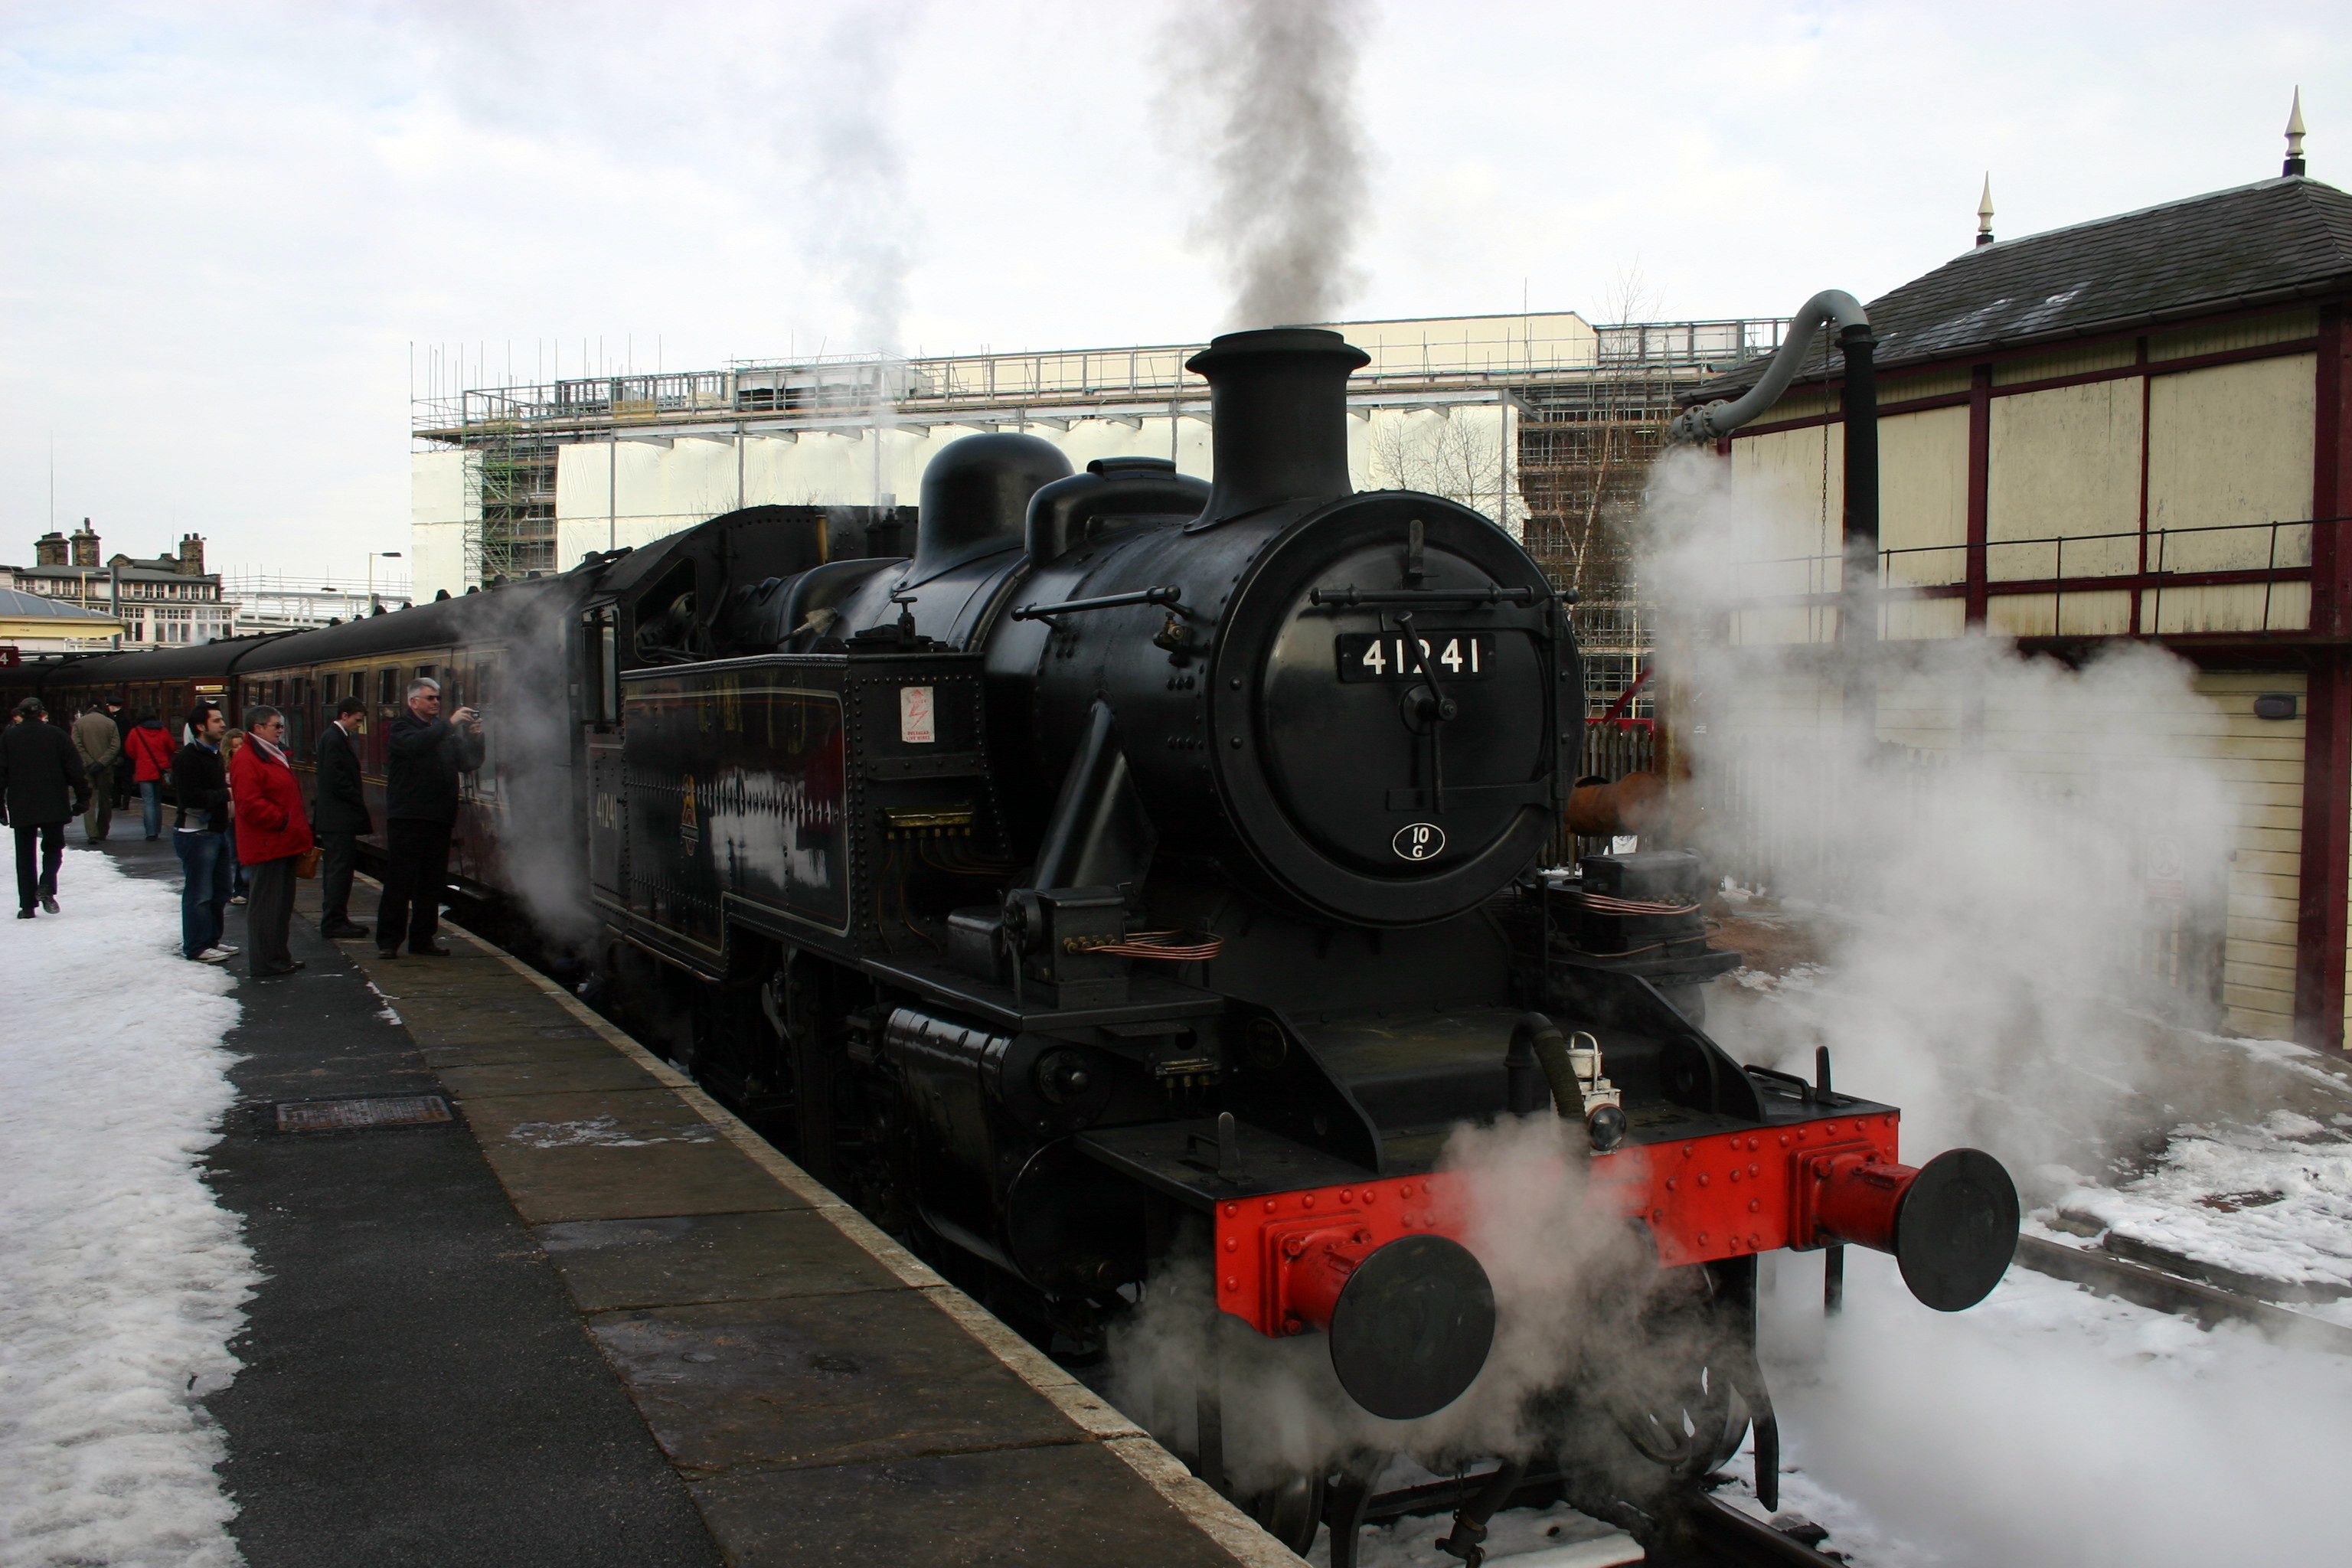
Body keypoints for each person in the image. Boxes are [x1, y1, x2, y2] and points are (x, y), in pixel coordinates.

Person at [375, 677, 482, 959]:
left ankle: (423, 939)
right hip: (409, 816)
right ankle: (389, 941)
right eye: (430, 698)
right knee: (400, 880)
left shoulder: (440, 731)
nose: (436, 702)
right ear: (414, 702)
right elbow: (414, 746)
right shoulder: (402, 728)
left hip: (439, 816)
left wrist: (474, 737)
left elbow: (467, 762)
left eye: (437, 698)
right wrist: (450, 724)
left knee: (430, 883)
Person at [230, 704, 313, 978]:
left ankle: (279, 956)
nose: (281, 730)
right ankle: (266, 962)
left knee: (280, 905)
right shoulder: (247, 758)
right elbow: (249, 803)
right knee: (267, 906)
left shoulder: (268, 754)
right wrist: (282, 821)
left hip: (281, 842)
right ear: (258, 728)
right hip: (268, 843)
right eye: (276, 726)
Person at [0, 697, 88, 918]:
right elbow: (75, 769)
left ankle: (27, 906)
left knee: (25, 854)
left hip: (21, 804)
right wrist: (82, 797)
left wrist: (0, 804)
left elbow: (1, 773)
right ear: (41, 714)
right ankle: (47, 884)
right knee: (53, 847)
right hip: (54, 803)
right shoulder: (57, 735)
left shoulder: (9, 737)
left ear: (21, 713)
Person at [171, 704, 238, 963]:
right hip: (196, 833)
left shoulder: (213, 754)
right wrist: (227, 794)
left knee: (221, 891)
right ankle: (196, 946)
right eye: (217, 720)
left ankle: (212, 940)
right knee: (199, 894)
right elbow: (191, 798)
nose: (223, 724)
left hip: (215, 831)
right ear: (201, 726)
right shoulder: (188, 758)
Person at [312, 696, 371, 939]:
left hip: (335, 817)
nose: (360, 725)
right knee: (339, 870)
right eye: (357, 720)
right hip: (338, 818)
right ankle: (334, 922)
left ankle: (338, 918)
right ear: (344, 716)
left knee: (339, 870)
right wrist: (356, 797)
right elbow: (336, 778)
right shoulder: (334, 739)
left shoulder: (334, 737)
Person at [71, 698, 122, 843]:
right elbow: (115, 746)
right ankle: (102, 831)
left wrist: (89, 762)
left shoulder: (78, 724)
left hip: (86, 768)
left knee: (89, 800)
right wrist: (101, 762)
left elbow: (76, 745)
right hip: (105, 768)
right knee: (105, 800)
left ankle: (92, 833)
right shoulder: (110, 723)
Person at [125, 712, 176, 840]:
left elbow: (130, 750)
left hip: (144, 770)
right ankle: (157, 829)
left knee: (148, 801)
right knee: (158, 801)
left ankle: (150, 832)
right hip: (160, 770)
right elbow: (172, 747)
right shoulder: (163, 731)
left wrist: (140, 758)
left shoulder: (135, 732)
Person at [220, 727, 250, 905]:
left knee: (243, 854)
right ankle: (239, 888)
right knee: (234, 854)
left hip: (243, 815)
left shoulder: (248, 764)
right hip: (229, 816)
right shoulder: (223, 766)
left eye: (241, 745)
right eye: (235, 746)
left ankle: (245, 889)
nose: (239, 749)